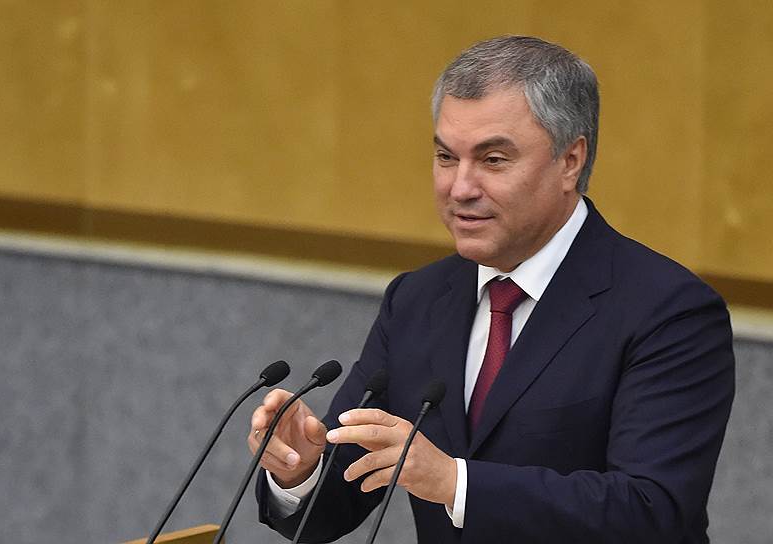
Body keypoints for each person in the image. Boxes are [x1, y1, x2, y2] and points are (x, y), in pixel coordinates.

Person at [247, 35, 735, 543]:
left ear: (570, 161)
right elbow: (335, 502)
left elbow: (652, 510)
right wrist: (299, 470)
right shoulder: (416, 300)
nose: (460, 188)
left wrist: (456, 482)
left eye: (494, 159)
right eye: (446, 157)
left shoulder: (668, 311)